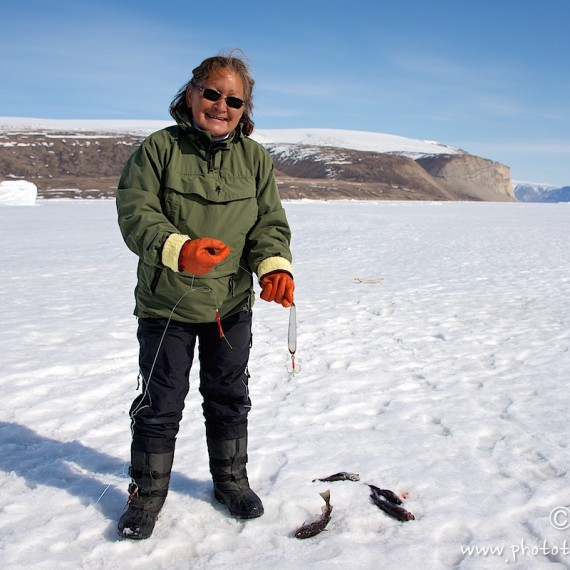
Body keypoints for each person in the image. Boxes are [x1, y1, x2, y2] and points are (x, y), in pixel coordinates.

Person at [115, 51, 294, 540]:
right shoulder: (158, 150)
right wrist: (179, 250)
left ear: (245, 108)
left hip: (230, 307)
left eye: (233, 99)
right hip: (167, 303)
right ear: (191, 93)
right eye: (212, 93)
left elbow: (268, 226)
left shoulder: (255, 159)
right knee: (161, 403)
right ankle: (146, 498)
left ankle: (231, 482)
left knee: (229, 397)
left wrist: (274, 268)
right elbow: (136, 215)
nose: (220, 105)